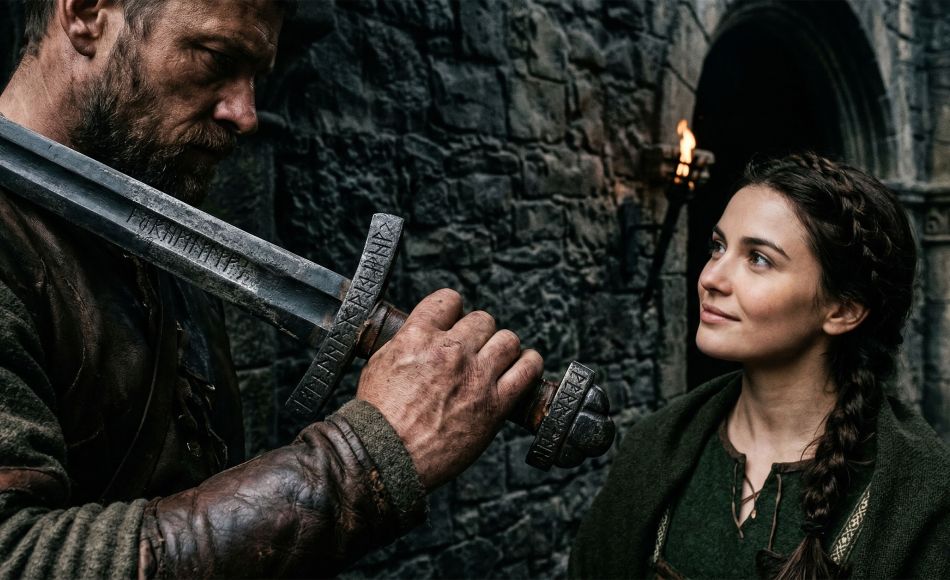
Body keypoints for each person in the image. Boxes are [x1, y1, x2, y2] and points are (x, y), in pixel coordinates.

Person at [0, 0, 543, 577]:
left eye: (256, 76)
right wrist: (363, 462)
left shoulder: (156, 223)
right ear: (85, 14)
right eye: (215, 56)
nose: (246, 113)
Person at [570, 153, 950, 579]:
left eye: (759, 259)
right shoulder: (656, 447)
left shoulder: (923, 491)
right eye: (718, 247)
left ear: (843, 309)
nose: (711, 278)